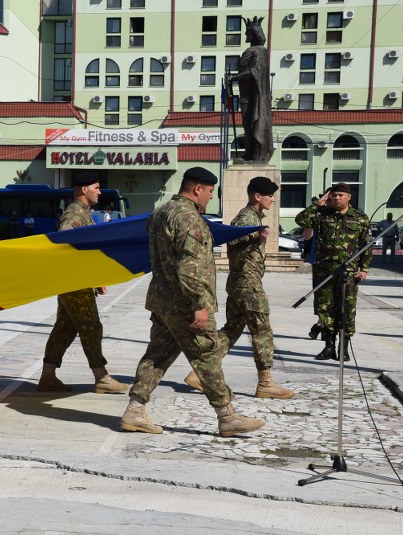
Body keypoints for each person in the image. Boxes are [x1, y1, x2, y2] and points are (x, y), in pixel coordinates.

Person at [119, 167, 264, 437]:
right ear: (197, 189)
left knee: (157, 355)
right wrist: (199, 304)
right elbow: (190, 268)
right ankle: (227, 416)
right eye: (210, 191)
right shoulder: (189, 218)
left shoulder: (161, 212)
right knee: (207, 355)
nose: (210, 197)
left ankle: (134, 410)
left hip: (162, 300)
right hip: (185, 304)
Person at [185, 176, 294, 400]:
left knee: (231, 330)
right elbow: (235, 242)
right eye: (269, 196)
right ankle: (265, 383)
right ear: (257, 196)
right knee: (262, 331)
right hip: (247, 284)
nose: (273, 200)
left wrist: (258, 240)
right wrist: (257, 238)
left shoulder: (252, 217)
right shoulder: (247, 218)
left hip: (241, 283)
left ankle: (200, 373)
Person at [38, 171, 129, 394]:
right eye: (96, 187)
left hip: (75, 281)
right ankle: (101, 376)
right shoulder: (75, 213)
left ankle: (47, 376)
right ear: (84, 189)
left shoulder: (84, 212)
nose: (100, 192)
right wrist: (85, 275)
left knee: (65, 328)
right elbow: (63, 241)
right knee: (91, 327)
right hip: (75, 283)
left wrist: (95, 277)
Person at [296, 183, 372, 361]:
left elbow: (366, 246)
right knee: (325, 309)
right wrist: (317, 204)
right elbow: (301, 221)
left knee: (346, 309)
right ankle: (328, 346)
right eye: (334, 195)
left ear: (348, 197)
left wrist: (364, 270)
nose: (337, 198)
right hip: (324, 272)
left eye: (340, 195)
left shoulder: (360, 218)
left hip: (348, 273)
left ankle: (343, 347)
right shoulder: (322, 215)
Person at [230, 17, 273, 163]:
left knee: (254, 124)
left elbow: (256, 71)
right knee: (247, 126)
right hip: (245, 95)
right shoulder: (249, 50)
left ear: (254, 33)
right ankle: (249, 153)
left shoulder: (260, 51)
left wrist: (236, 77)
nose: (245, 34)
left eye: (248, 31)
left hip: (255, 97)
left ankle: (257, 155)